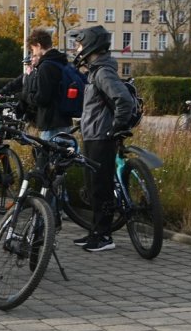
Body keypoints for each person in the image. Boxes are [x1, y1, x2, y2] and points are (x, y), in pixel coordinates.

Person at [72, 25, 133, 253]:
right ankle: (95, 232)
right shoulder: (95, 71)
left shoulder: (102, 72)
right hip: (93, 134)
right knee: (93, 186)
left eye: (79, 44)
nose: (77, 49)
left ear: (90, 45)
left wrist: (117, 126)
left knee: (101, 187)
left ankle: (104, 236)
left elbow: (123, 99)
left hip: (101, 137)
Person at [22, 29, 74, 140]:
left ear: (39, 45)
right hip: (64, 119)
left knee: (49, 156)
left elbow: (43, 98)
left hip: (51, 123)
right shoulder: (61, 62)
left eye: (33, 49)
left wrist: (27, 96)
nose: (33, 53)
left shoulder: (45, 66)